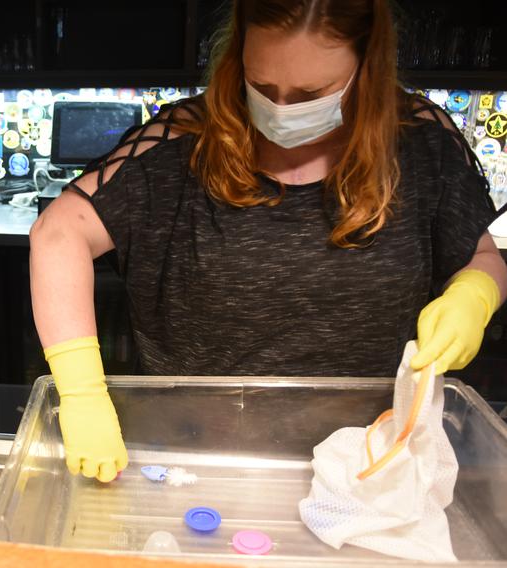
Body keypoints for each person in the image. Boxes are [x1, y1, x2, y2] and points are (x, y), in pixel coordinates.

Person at [30, 0, 507, 482]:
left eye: (312, 93)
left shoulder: (422, 142)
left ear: (368, 64)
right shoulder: (178, 143)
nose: (281, 109)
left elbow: (482, 255)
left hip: (370, 465)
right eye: (261, 86)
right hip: (192, 460)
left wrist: (476, 293)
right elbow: (58, 233)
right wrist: (82, 392)